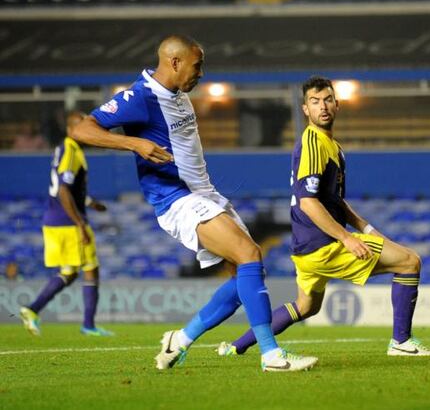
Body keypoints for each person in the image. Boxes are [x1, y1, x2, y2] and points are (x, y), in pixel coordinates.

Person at [70, 35, 317, 372]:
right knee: (249, 254)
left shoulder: (180, 96)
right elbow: (83, 130)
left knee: (242, 277)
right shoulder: (140, 96)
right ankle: (271, 355)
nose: (201, 72)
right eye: (197, 65)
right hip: (177, 199)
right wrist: (134, 144)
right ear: (175, 62)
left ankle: (180, 339)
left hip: (205, 194)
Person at [216, 76, 430, 357]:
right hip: (323, 245)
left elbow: (335, 201)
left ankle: (236, 346)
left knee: (305, 307)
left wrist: (368, 229)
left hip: (307, 248)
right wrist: (346, 238)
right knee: (409, 262)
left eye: (327, 100)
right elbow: (309, 203)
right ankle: (401, 342)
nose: (322, 106)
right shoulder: (313, 142)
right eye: (314, 101)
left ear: (337, 105)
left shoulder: (332, 147)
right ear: (305, 109)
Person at [18, 111, 112, 337]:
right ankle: (88, 326)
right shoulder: (71, 150)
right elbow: (62, 190)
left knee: (69, 272)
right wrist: (80, 224)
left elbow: (65, 188)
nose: (87, 130)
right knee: (91, 269)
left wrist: (89, 202)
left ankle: (32, 310)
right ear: (71, 131)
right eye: (82, 126)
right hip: (69, 223)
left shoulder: (64, 149)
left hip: (54, 220)